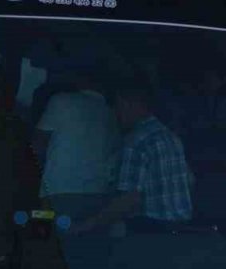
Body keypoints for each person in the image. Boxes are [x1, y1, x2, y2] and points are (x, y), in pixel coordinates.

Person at [76, 84, 194, 233]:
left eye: (117, 107)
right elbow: (190, 181)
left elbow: (129, 201)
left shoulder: (136, 141)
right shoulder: (171, 137)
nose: (115, 114)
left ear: (126, 104)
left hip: (150, 231)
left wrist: (87, 225)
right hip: (181, 228)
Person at [33, 66, 121, 219]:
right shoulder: (112, 114)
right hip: (98, 196)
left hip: (58, 193)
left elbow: (37, 145)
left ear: (80, 79)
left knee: (41, 224)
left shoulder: (61, 101)